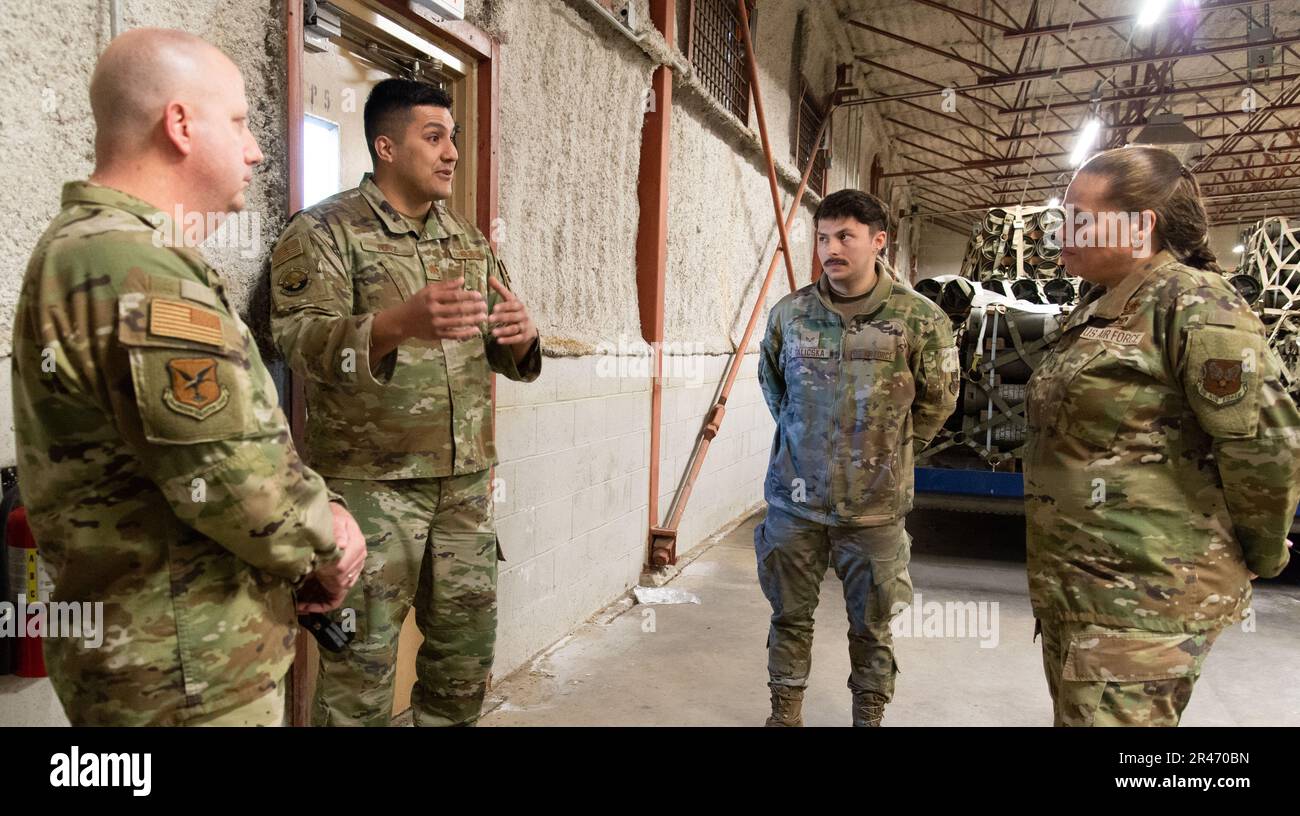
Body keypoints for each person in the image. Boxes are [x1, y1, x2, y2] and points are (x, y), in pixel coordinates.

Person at [10, 28, 365, 726]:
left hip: (157, 664)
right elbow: (236, 481)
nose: (254, 149)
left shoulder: (90, 249)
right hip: (185, 677)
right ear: (179, 124)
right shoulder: (133, 266)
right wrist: (331, 538)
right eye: (237, 122)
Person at [270, 79, 542, 727]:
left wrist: (524, 339)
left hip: (465, 492)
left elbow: (507, 354)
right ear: (386, 147)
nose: (451, 152)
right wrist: (393, 325)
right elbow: (300, 343)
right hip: (371, 491)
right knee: (359, 678)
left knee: (462, 666)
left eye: (453, 138)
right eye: (434, 137)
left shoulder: (468, 241)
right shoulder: (324, 232)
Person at [1024, 145, 1299, 726]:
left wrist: (1262, 551)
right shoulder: (1101, 307)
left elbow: (1263, 446)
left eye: (1078, 216)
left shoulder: (1196, 305)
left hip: (1143, 598)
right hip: (1084, 593)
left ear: (1139, 226)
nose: (1060, 230)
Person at [756, 189, 960, 726]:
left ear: (878, 241)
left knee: (872, 625)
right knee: (790, 616)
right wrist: (810, 446)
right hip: (795, 505)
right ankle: (785, 714)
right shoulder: (791, 315)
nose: (831, 247)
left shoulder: (920, 319)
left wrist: (882, 451)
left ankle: (868, 718)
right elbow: (776, 391)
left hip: (874, 511)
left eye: (845, 235)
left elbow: (939, 403)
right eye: (822, 236)